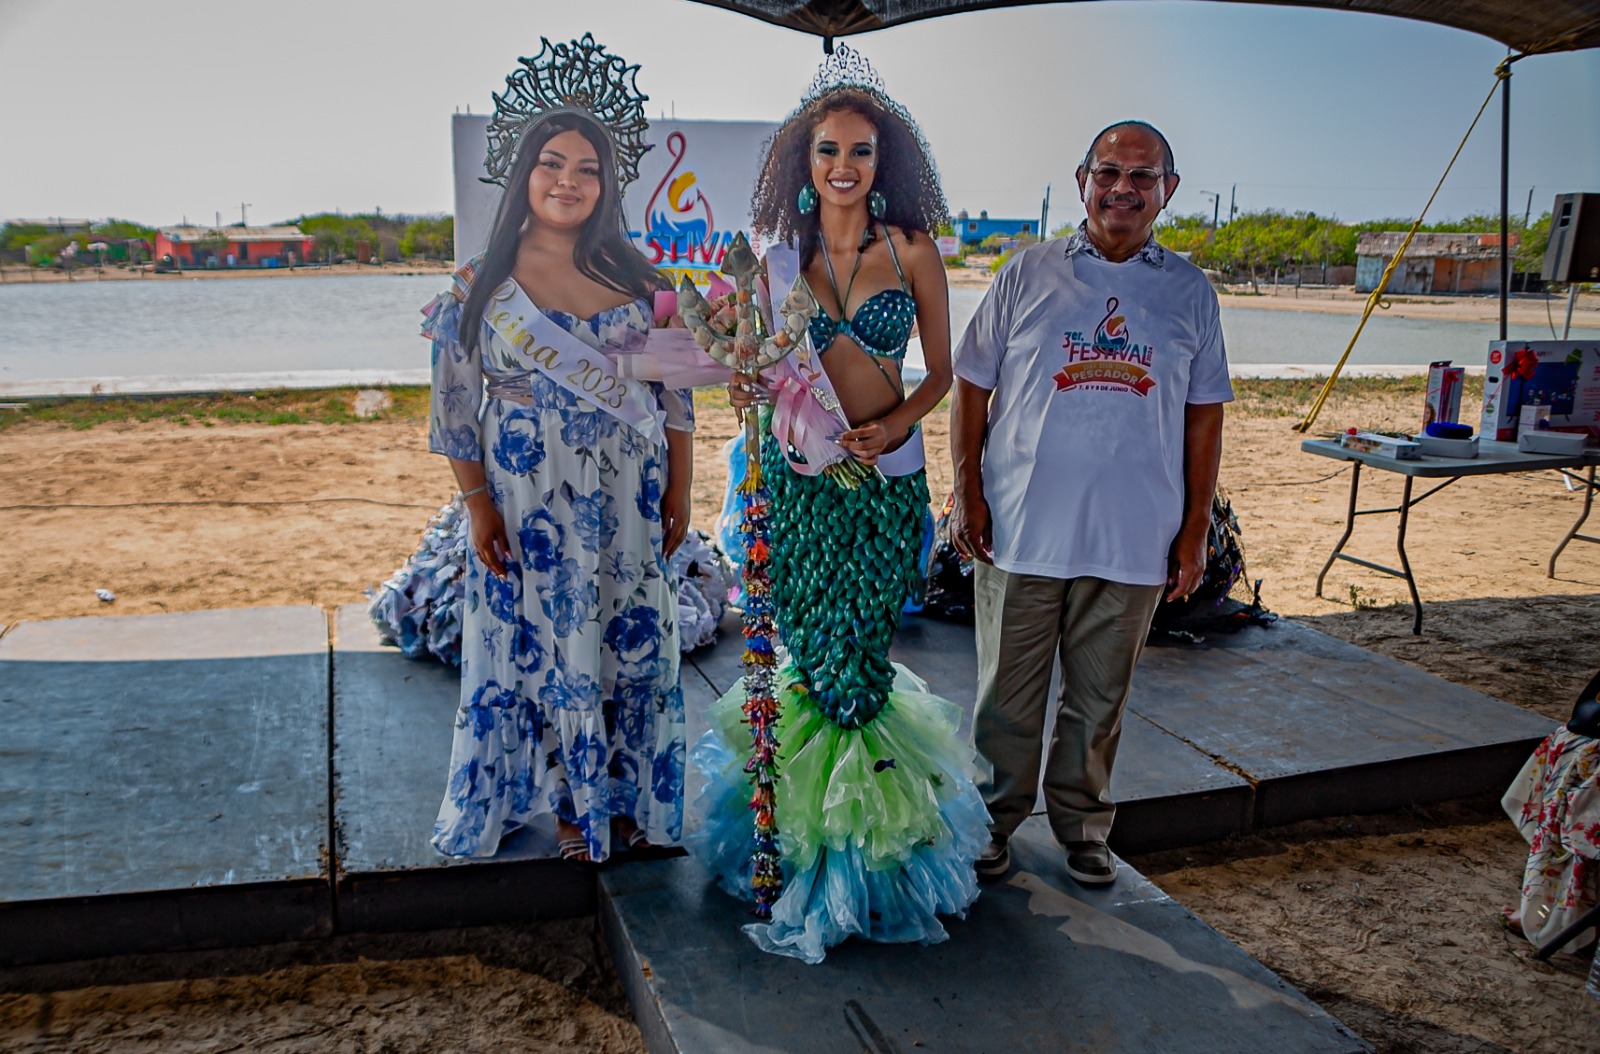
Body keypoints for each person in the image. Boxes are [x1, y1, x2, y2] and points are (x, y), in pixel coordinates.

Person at [687, 47, 989, 964]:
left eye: (860, 151)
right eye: (827, 151)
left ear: (883, 160)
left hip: (884, 484)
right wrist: (741, 387)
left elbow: (944, 372)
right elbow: (743, 371)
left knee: (859, 659)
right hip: (800, 485)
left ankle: (866, 864)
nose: (844, 167)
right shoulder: (777, 262)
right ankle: (813, 862)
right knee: (813, 663)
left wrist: (897, 422)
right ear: (803, 161)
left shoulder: (915, 250)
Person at [422, 36, 693, 865]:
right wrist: (476, 506)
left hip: (627, 499)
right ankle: (571, 803)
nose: (568, 180)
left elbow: (674, 400)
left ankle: (627, 799)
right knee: (540, 641)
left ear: (607, 185)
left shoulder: (640, 278)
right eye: (552, 163)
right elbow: (453, 407)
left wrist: (681, 491)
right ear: (525, 178)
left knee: (626, 639)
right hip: (525, 496)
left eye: (587, 168)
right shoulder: (480, 285)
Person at [949, 120, 1232, 886]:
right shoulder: (1026, 272)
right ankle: (992, 822)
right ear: (1082, 179)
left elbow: (1204, 414)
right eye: (1109, 171)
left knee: (1100, 700)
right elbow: (971, 383)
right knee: (1006, 698)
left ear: (1168, 191)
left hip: (1137, 534)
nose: (1124, 188)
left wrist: (1195, 530)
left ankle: (1082, 824)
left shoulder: (1190, 292)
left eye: (1143, 177)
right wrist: (965, 488)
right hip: (1021, 527)